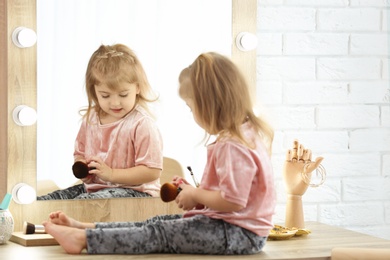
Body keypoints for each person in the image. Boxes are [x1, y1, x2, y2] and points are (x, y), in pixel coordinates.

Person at [42, 52, 276, 255]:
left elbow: (233, 201)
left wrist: (196, 193)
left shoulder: (233, 145)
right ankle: (84, 228)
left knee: (158, 233)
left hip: (238, 234)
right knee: (156, 223)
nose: (193, 114)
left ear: (209, 105)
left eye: (191, 107)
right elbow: (231, 197)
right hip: (233, 230)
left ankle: (83, 240)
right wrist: (194, 194)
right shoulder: (245, 135)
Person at [37, 44, 163, 200]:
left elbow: (152, 171)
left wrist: (111, 174)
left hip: (137, 194)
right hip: (95, 189)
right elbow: (80, 154)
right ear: (94, 91)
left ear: (137, 87)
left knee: (84, 203)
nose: (115, 103)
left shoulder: (141, 124)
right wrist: (83, 168)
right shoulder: (91, 119)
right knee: (46, 201)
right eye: (105, 95)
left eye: (123, 95)